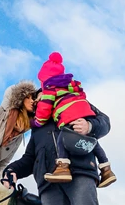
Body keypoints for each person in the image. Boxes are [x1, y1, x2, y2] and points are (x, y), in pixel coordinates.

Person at [35, 52, 116, 188]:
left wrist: (37, 121)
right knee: (93, 142)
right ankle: (106, 170)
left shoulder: (50, 91)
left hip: (83, 170)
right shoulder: (72, 89)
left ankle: (62, 167)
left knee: (63, 139)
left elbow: (44, 110)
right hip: (84, 111)